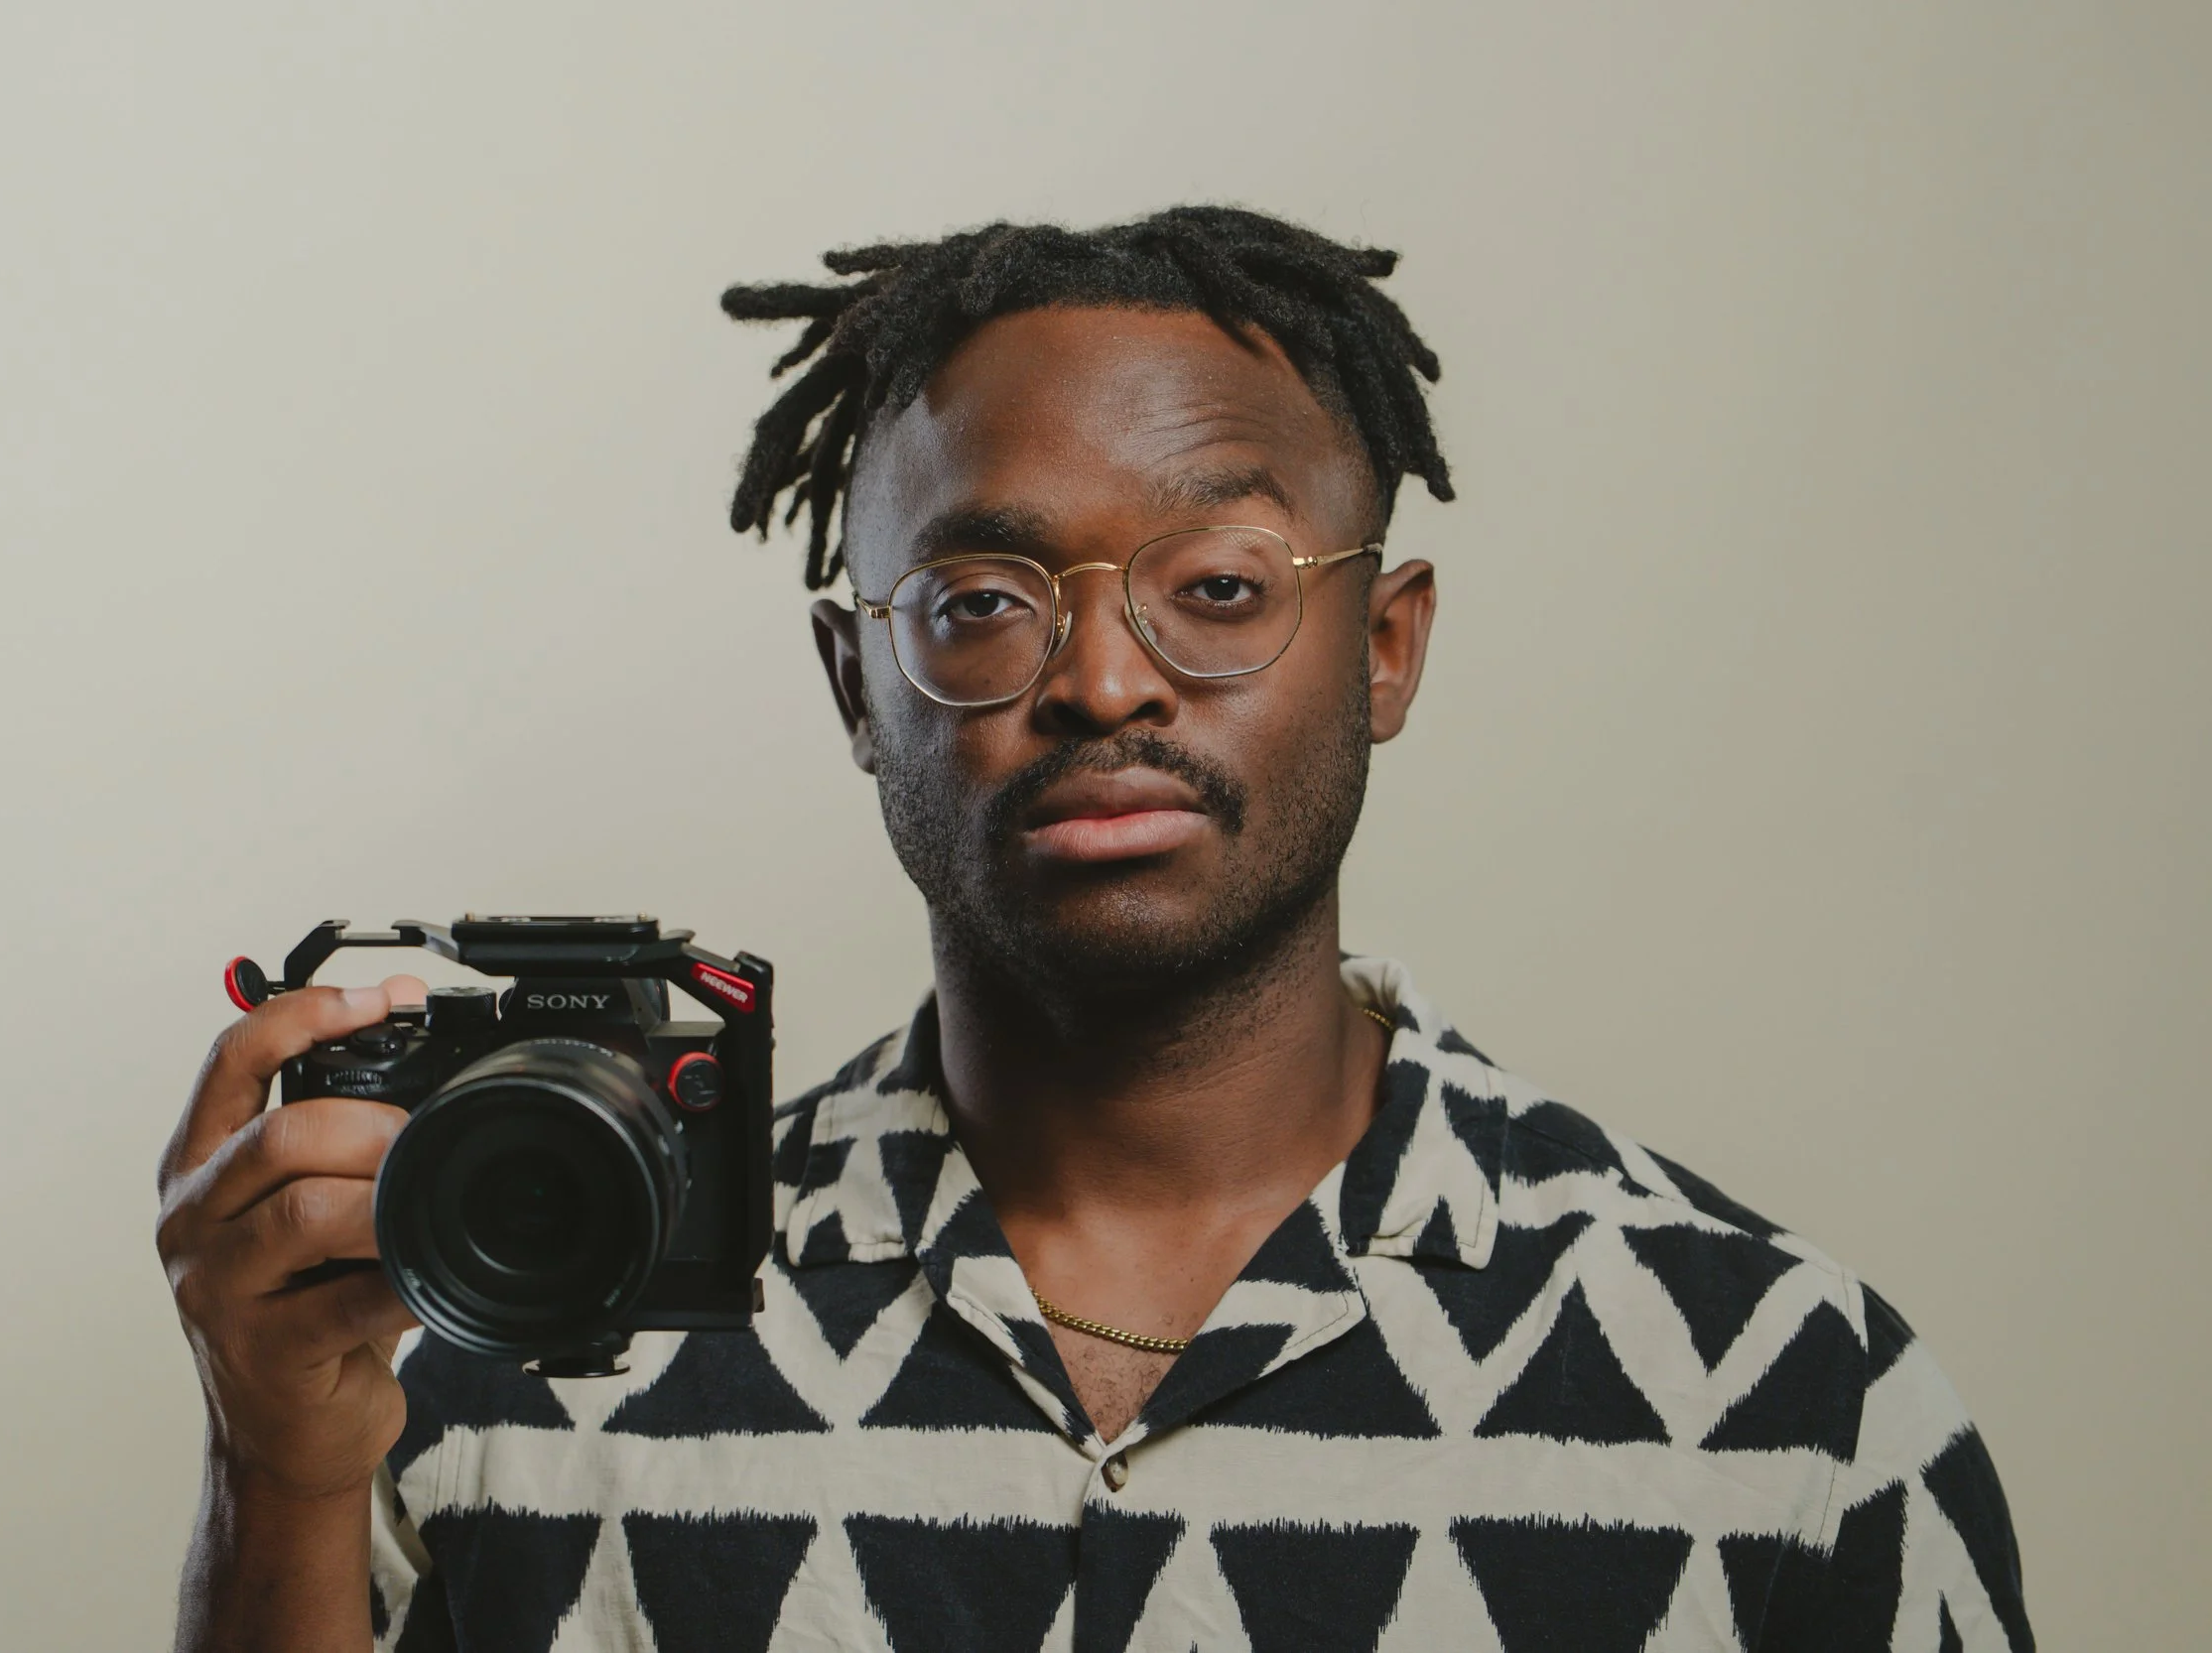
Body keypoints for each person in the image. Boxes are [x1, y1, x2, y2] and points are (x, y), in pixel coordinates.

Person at [157, 207, 2031, 1653]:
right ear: (855, 679)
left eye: (1218, 586)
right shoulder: (501, 1364)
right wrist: (279, 1460)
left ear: (1385, 648)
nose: (1107, 677)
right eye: (980, 600)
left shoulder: (1789, 1403)